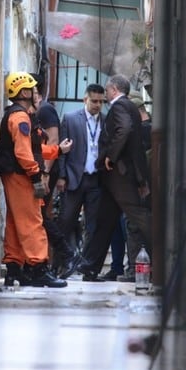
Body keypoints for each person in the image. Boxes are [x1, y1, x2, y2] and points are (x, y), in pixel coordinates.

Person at [0, 71, 73, 288]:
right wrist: (35, 175)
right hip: (22, 177)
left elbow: (33, 148)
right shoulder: (20, 118)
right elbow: (24, 153)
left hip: (16, 174)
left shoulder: (18, 115)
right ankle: (39, 268)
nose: (37, 94)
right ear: (23, 92)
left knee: (15, 222)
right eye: (33, 90)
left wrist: (57, 150)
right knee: (33, 222)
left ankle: (14, 269)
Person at [76, 75, 152, 282]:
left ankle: (165, 257)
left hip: (121, 175)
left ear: (115, 89)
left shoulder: (120, 107)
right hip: (114, 177)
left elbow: (124, 129)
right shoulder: (128, 107)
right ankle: (90, 267)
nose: (105, 94)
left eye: (108, 91)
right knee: (104, 221)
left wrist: (111, 155)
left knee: (139, 216)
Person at [30, 73, 81, 279]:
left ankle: (66, 255)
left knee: (39, 217)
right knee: (37, 217)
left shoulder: (46, 110)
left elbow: (53, 140)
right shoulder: (35, 111)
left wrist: (45, 173)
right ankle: (55, 259)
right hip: (40, 170)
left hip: (45, 171)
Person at [55, 83, 106, 278]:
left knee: (92, 226)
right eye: (94, 101)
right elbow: (62, 150)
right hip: (74, 179)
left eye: (101, 102)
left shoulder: (106, 120)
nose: (98, 105)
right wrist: (60, 176)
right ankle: (58, 265)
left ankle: (87, 268)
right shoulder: (70, 119)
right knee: (65, 222)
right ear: (85, 99)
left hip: (96, 181)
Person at [111, 93, 153, 282]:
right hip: (150, 189)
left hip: (140, 188)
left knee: (134, 227)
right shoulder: (152, 130)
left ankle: (135, 271)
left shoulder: (140, 132)